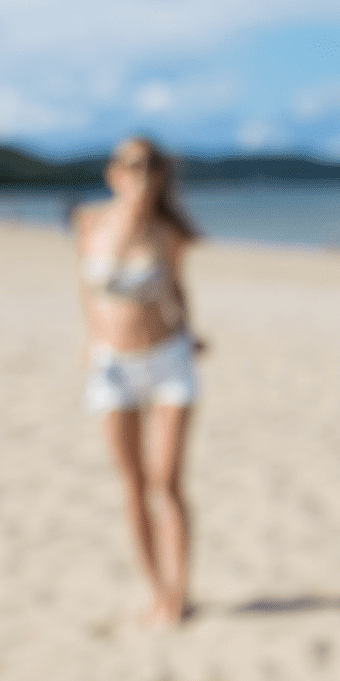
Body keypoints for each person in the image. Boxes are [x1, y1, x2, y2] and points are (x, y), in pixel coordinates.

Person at [75, 136, 201, 628]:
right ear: (114, 173)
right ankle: (157, 590)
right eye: (131, 164)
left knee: (165, 481)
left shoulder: (167, 231)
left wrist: (191, 331)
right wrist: (88, 339)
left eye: (150, 164)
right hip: (112, 365)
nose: (141, 173)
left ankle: (181, 592)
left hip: (168, 360)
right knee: (131, 485)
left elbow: (176, 287)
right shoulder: (88, 222)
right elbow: (85, 288)